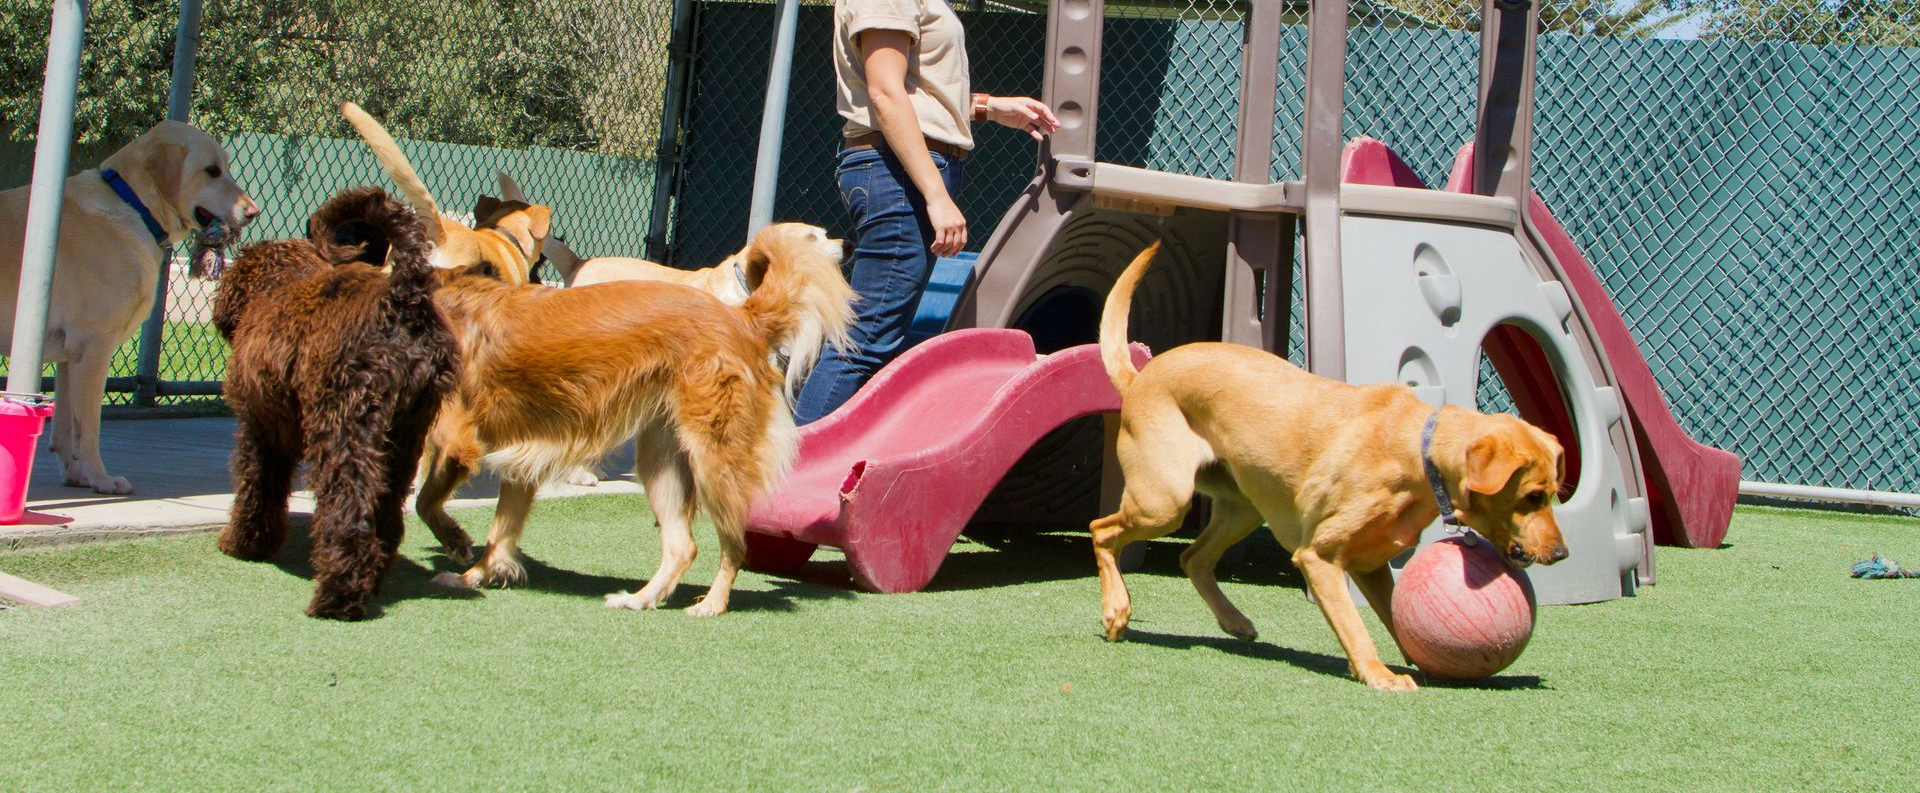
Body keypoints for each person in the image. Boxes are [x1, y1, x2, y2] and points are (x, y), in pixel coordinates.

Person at [792, 0, 1060, 424]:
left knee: (872, 337)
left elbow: (916, 90)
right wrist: (936, 195)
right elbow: (883, 93)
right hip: (898, 173)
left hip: (905, 169)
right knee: (865, 340)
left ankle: (821, 469)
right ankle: (797, 480)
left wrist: (988, 107)